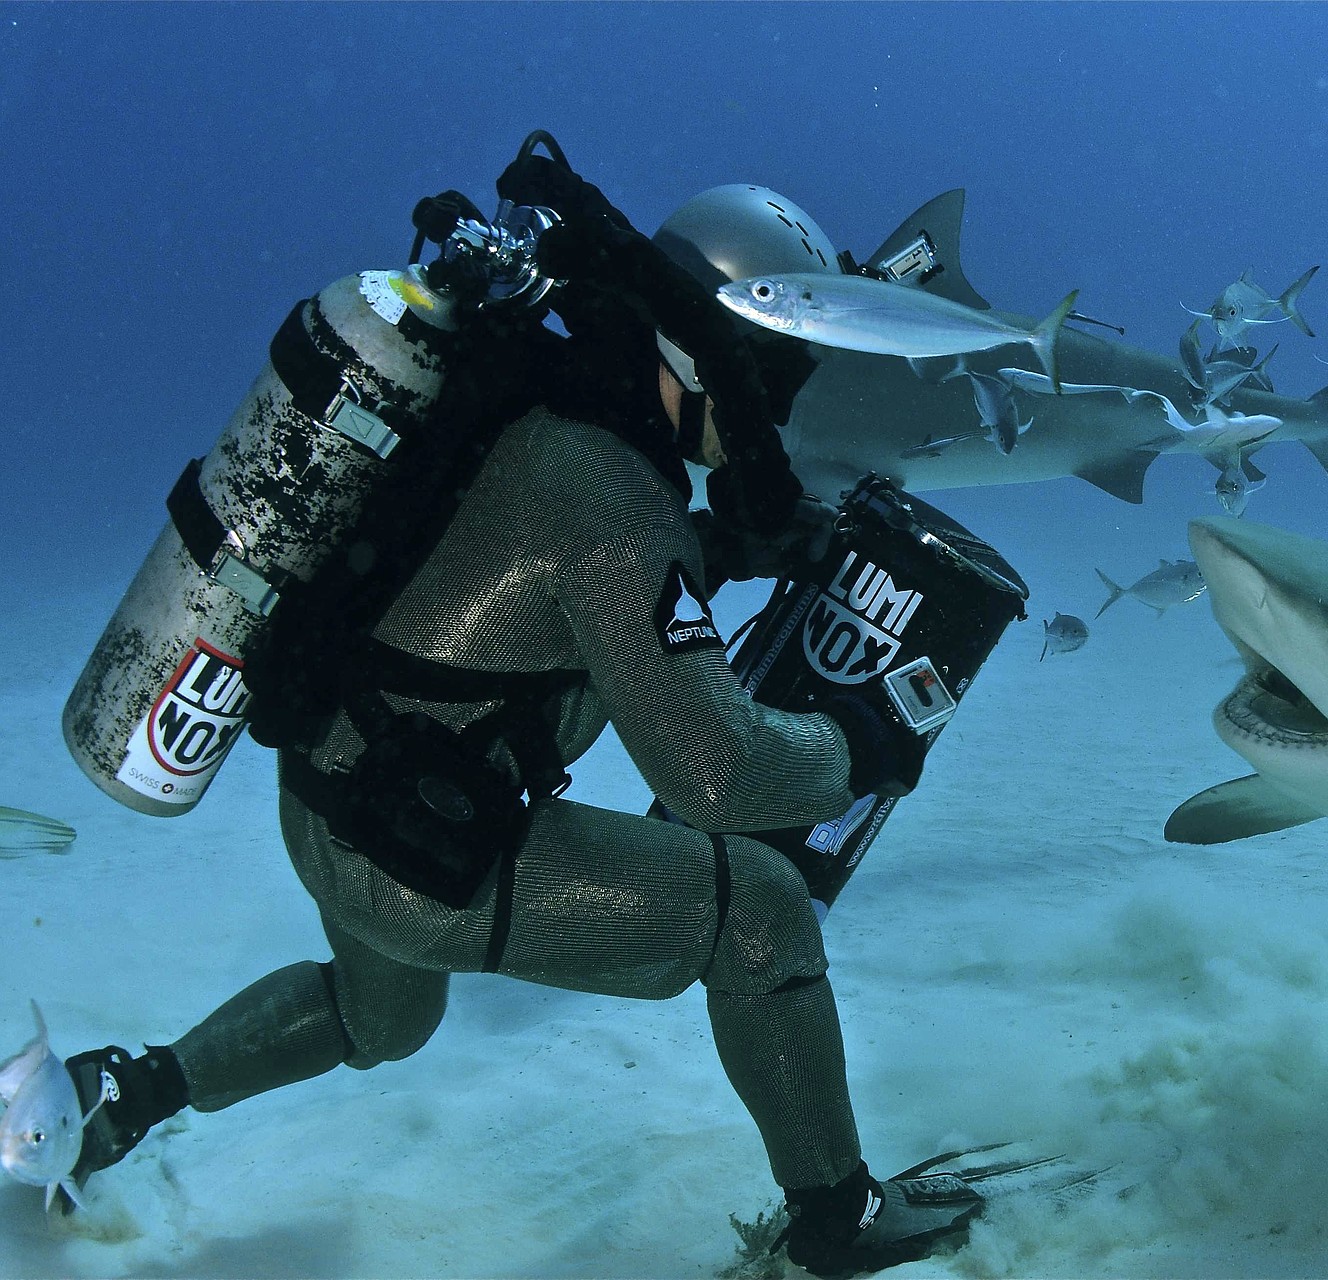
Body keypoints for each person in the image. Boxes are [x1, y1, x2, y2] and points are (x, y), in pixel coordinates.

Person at [57, 151, 982, 1277]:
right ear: (711, 351)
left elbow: (519, 563)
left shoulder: (533, 394)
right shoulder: (614, 494)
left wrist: (720, 551)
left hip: (324, 796)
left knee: (381, 1020)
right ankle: (840, 1217)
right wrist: (867, 744)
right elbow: (718, 777)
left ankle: (127, 1088)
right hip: (421, 853)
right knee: (764, 910)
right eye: (776, 376)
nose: (776, 411)